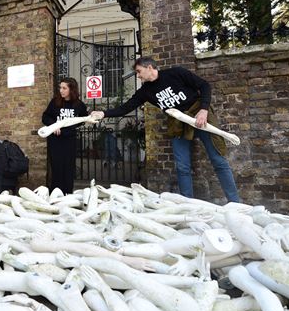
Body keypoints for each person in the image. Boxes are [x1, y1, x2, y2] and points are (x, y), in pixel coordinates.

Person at [91, 57, 240, 202]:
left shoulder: (176, 73)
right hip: (177, 122)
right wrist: (103, 113)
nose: (138, 76)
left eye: (139, 71)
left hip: (199, 116)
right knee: (182, 166)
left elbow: (204, 85)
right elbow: (126, 107)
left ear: (150, 68)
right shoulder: (146, 91)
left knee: (218, 160)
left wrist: (204, 110)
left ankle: (235, 203)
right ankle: (188, 205)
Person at [42, 77, 88, 194]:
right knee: (56, 167)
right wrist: (54, 126)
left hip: (69, 140)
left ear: (71, 89)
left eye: (64, 88)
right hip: (55, 140)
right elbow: (45, 117)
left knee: (68, 168)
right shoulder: (55, 102)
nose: (61, 90)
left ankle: (68, 193)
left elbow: (83, 119)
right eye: (60, 88)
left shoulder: (79, 105)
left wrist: (71, 126)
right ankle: (55, 193)